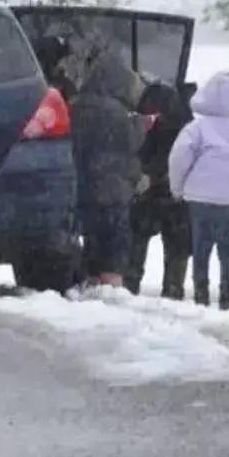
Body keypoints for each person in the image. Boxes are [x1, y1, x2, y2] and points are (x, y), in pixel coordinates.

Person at [168, 71, 229, 310]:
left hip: (198, 198)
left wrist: (177, 187)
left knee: (200, 249)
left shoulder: (196, 128)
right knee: (227, 251)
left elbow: (179, 158)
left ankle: (201, 295)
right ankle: (226, 297)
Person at [69, 43, 147, 288]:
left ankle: (90, 282)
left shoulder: (75, 107)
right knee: (115, 243)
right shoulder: (117, 112)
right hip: (114, 188)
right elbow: (128, 147)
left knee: (92, 240)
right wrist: (140, 126)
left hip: (83, 186)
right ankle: (111, 287)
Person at [125, 82, 194, 299]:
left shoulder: (151, 126)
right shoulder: (188, 128)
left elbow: (141, 154)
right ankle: (172, 292)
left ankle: (130, 287)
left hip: (155, 194)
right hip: (176, 197)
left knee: (139, 243)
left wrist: (145, 174)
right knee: (177, 250)